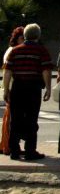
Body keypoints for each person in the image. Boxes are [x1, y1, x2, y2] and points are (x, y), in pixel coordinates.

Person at [2, 23, 52, 160]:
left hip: (17, 87)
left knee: (16, 119)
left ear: (24, 36)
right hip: (33, 87)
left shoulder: (15, 51)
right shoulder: (41, 51)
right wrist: (48, 88)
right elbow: (46, 70)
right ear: (38, 35)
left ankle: (14, 151)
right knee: (31, 119)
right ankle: (30, 150)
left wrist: (6, 90)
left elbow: (7, 72)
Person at [1, 27, 25, 155]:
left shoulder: (12, 51)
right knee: (11, 119)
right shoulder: (13, 51)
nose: (24, 41)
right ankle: (8, 146)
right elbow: (7, 71)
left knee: (10, 118)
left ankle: (7, 145)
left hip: (12, 88)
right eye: (22, 38)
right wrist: (7, 90)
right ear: (16, 39)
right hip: (13, 88)